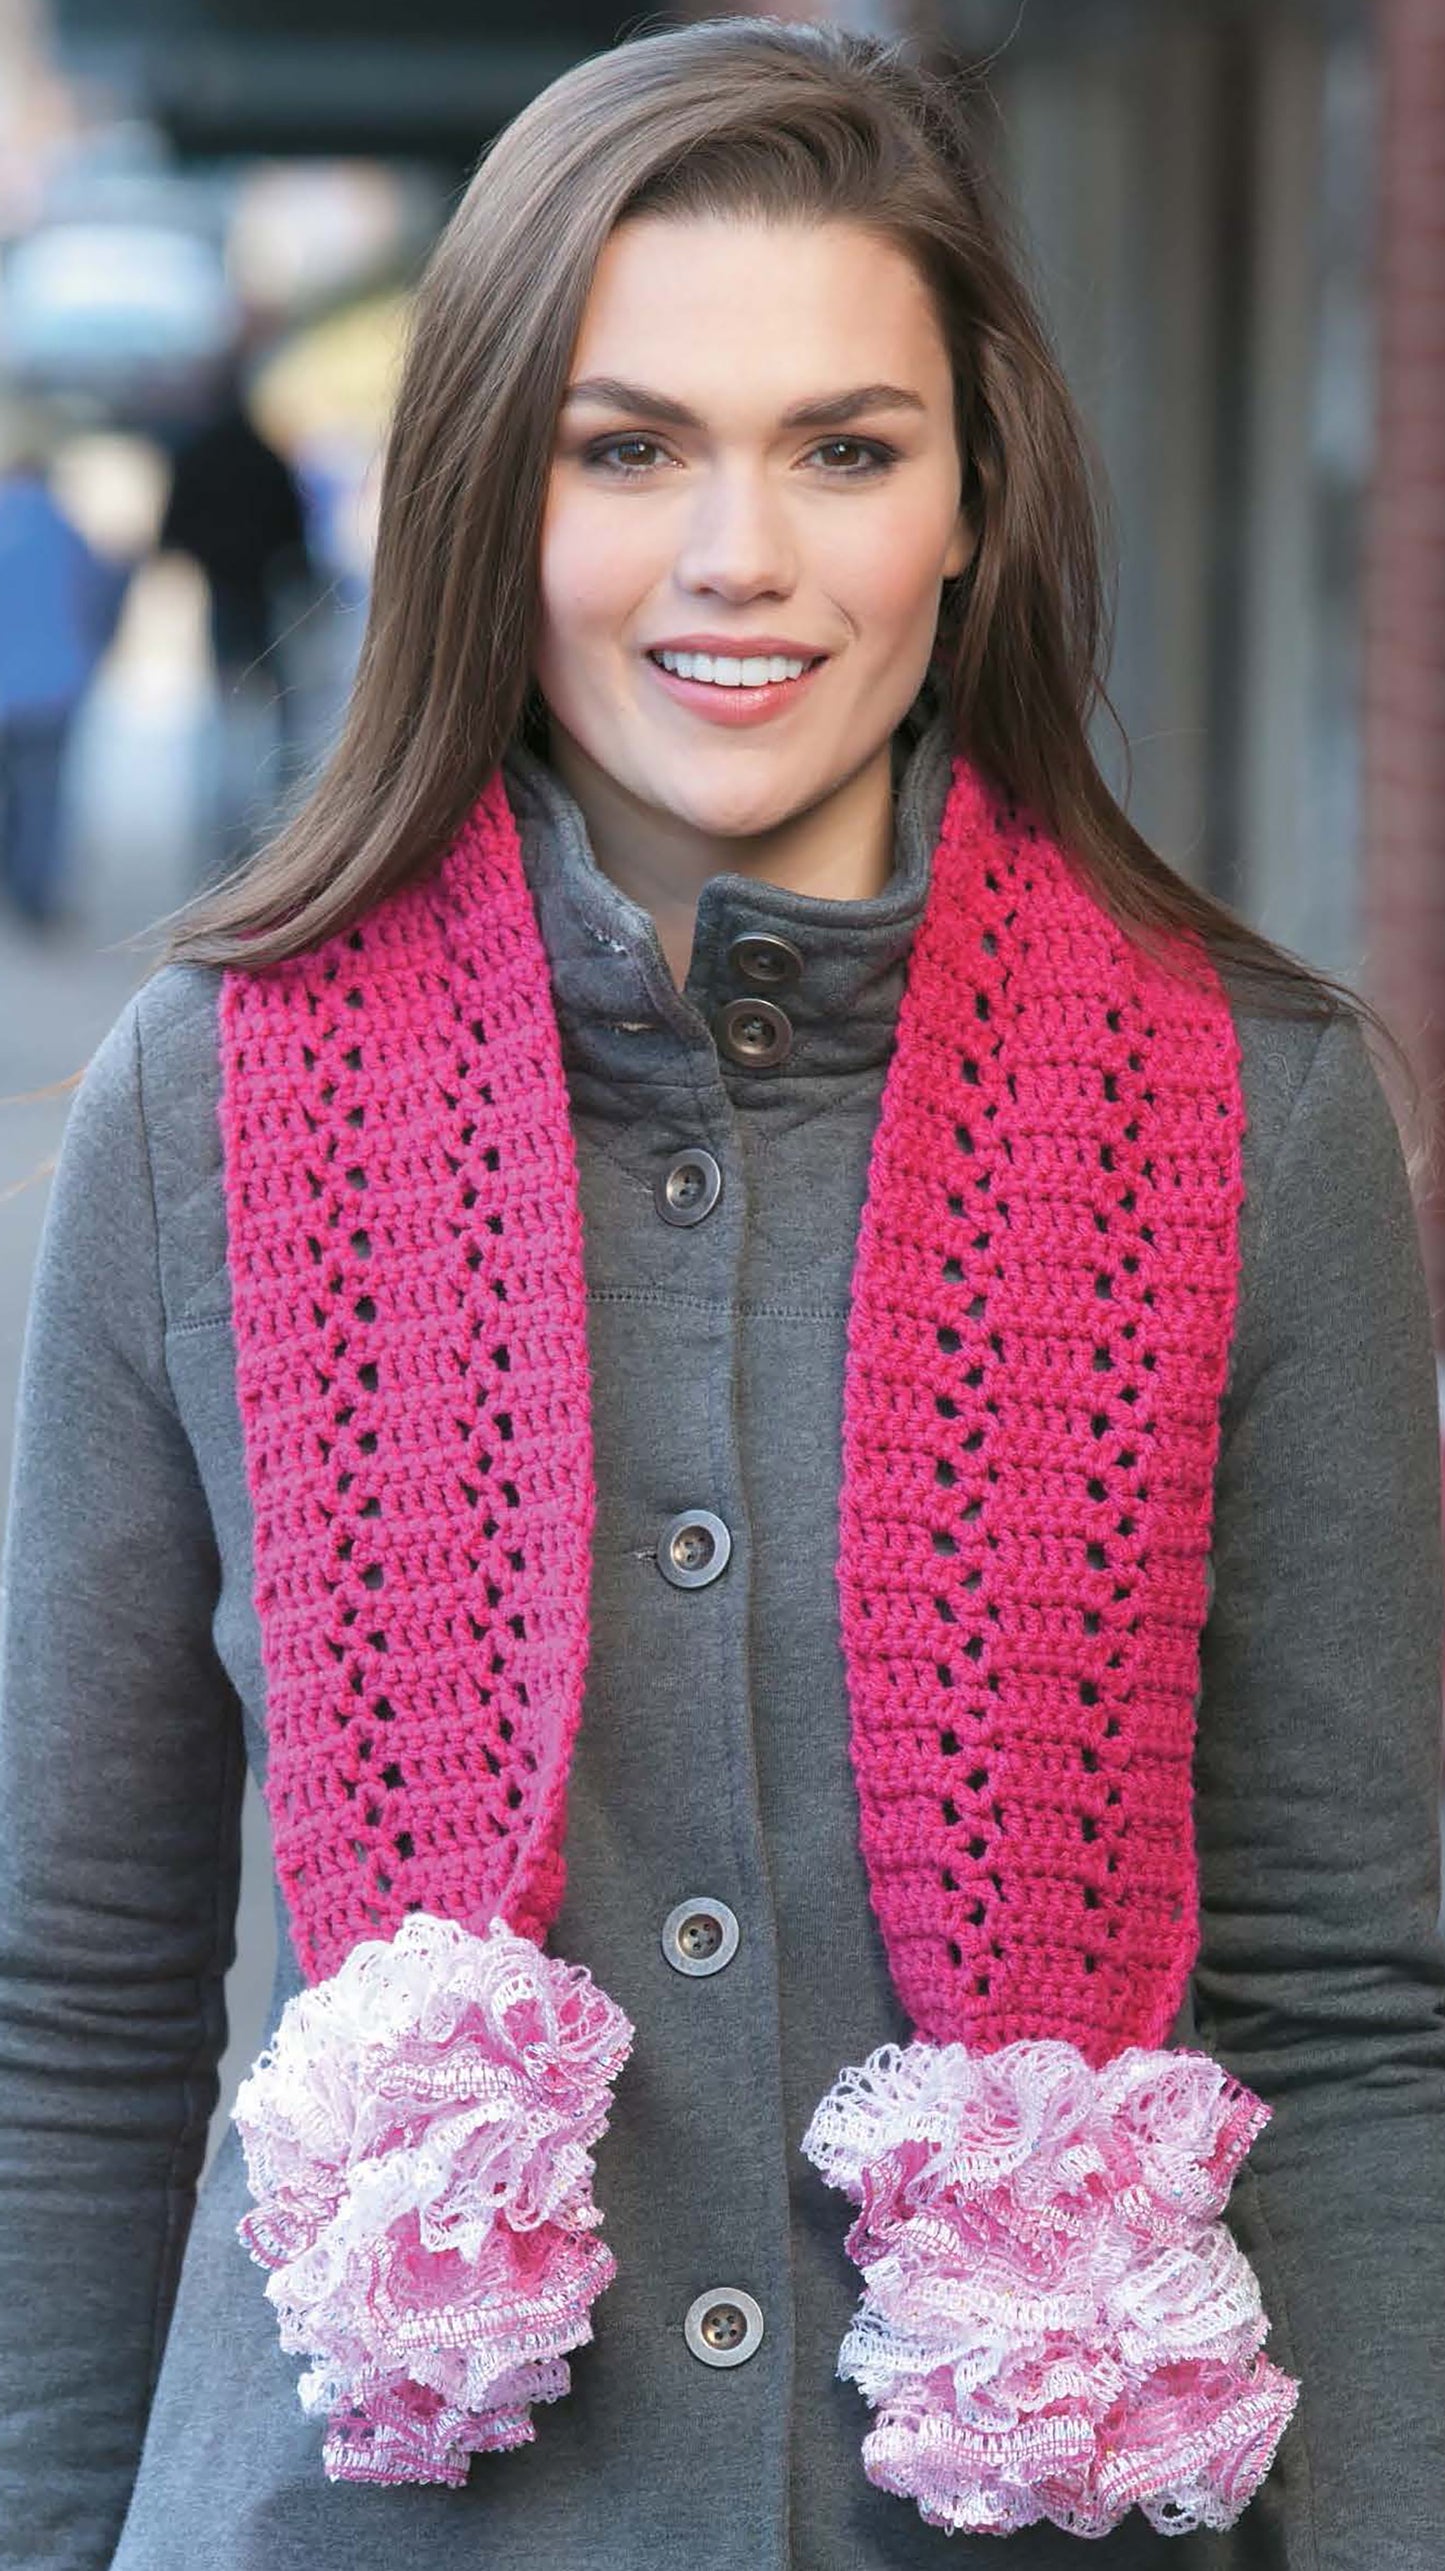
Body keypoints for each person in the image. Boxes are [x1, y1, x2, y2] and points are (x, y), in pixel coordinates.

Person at [1, 19, 1442, 2568]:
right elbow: (72, 2014)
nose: (736, 557)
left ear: (972, 505)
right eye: (625, 443)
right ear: (485, 496)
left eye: (845, 448)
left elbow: (1349, 2018)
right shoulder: (195, 1110)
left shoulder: (1260, 1111)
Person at [155, 356, 310, 874]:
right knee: (275, 718)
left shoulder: (195, 455)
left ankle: (227, 832)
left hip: (225, 604)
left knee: (227, 721)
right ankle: (273, 824)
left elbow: (172, 536)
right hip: (265, 603)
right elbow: (295, 536)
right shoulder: (264, 457)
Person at [0, 416, 129, 928]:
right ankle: (35, 892)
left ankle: (14, 875)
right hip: (54, 688)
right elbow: (103, 595)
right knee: (43, 794)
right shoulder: (66, 532)